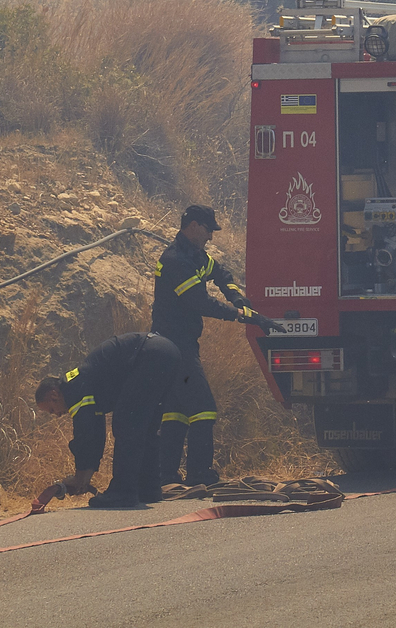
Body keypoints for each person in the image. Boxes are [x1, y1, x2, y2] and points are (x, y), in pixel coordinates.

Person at [151, 204, 283, 486]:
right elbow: (201, 303)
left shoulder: (195, 256)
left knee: (176, 411)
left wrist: (236, 295)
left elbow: (221, 273)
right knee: (204, 408)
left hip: (178, 345)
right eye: (209, 229)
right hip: (175, 346)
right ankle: (199, 474)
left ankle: (166, 474)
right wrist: (246, 316)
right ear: (194, 226)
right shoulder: (176, 261)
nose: (211, 236)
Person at [34, 331, 182, 508]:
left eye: (52, 410)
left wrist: (80, 475)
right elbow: (96, 432)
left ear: (54, 394)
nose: (57, 415)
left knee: (126, 424)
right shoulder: (80, 382)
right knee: (145, 428)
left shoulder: (73, 388)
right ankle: (148, 489)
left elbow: (85, 433)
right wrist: (85, 476)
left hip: (149, 356)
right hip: (167, 353)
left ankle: (122, 492)